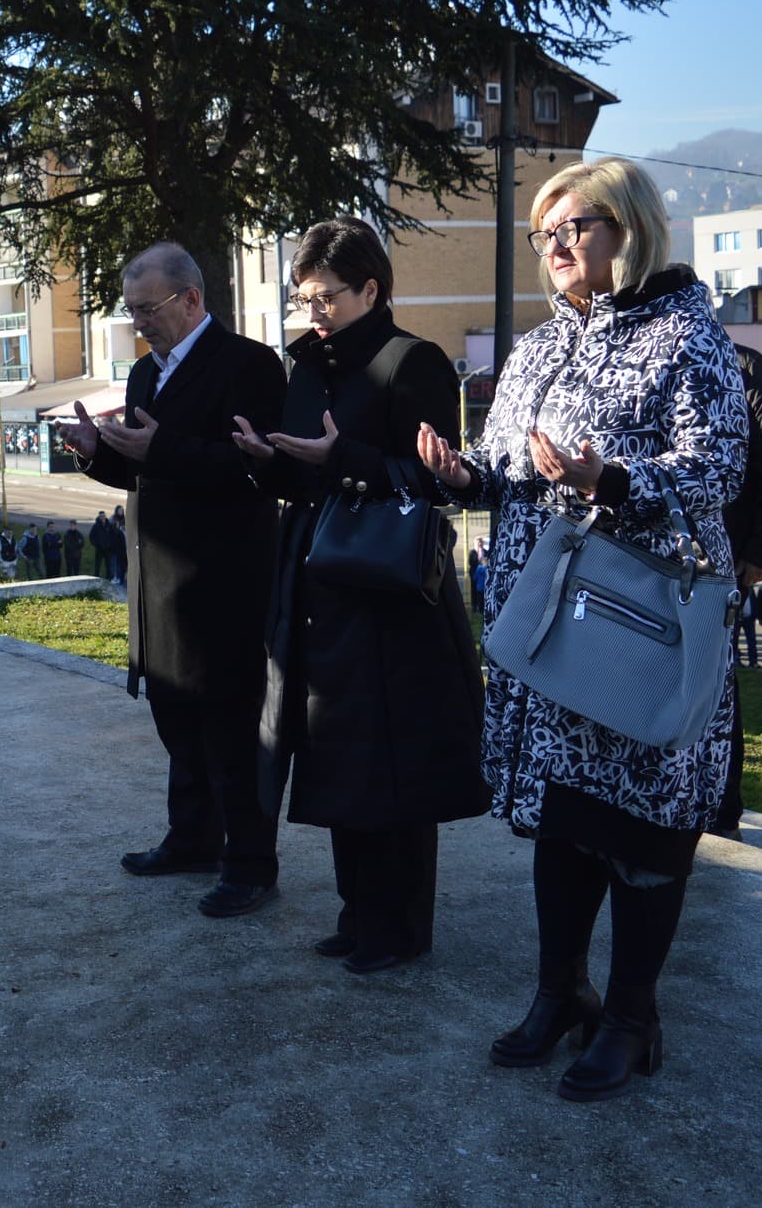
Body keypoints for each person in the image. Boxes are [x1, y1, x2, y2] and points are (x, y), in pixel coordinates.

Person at [417, 156, 748, 1101]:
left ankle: (634, 1019)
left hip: (640, 625)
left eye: (575, 227)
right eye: (543, 234)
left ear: (629, 227)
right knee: (565, 825)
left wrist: (611, 481)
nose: (555, 247)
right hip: (548, 629)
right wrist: (466, 478)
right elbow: (513, 466)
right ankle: (559, 993)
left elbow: (716, 470)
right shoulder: (540, 344)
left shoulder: (688, 334)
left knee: (642, 828)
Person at [232, 217, 486, 972]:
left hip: (391, 593)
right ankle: (357, 910)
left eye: (327, 297)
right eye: (304, 298)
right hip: (318, 585)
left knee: (393, 764)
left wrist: (343, 457)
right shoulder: (308, 367)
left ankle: (399, 926)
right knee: (340, 755)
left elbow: (434, 482)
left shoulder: (416, 363)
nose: (313, 312)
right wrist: (264, 460)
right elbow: (301, 472)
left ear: (371, 288)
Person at [68, 241, 286, 919]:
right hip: (156, 578)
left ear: (191, 298)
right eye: (130, 311)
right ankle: (191, 839)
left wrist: (161, 448)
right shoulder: (142, 375)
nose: (139, 323)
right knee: (176, 721)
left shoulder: (250, 365)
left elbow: (254, 467)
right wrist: (98, 455)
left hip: (224, 579)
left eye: (148, 309)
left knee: (228, 728)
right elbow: (144, 470)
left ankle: (249, 863)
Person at [110, 504, 129, 583]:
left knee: (123, 564)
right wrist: (117, 527)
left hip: (124, 546)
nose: (121, 511)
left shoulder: (125, 520)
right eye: (119, 510)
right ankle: (115, 577)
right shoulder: (113, 520)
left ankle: (121, 578)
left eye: (122, 510)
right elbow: (111, 532)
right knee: (115, 563)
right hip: (115, 546)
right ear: (116, 511)